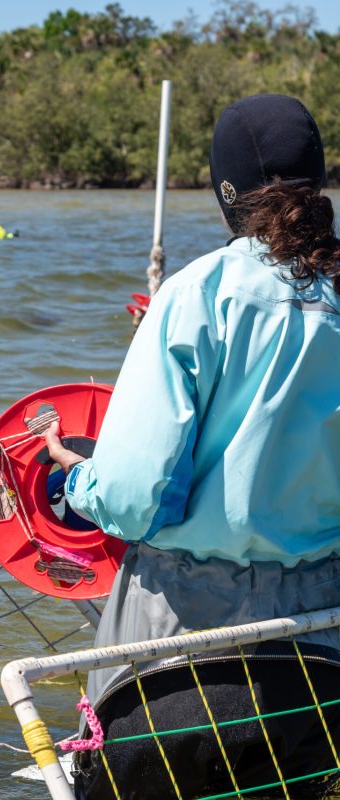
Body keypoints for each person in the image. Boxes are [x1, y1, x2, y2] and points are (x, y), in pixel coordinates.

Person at [46, 94, 340, 797]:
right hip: (322, 659)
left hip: (178, 663)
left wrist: (78, 479)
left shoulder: (197, 293)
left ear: (226, 193)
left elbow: (131, 495)